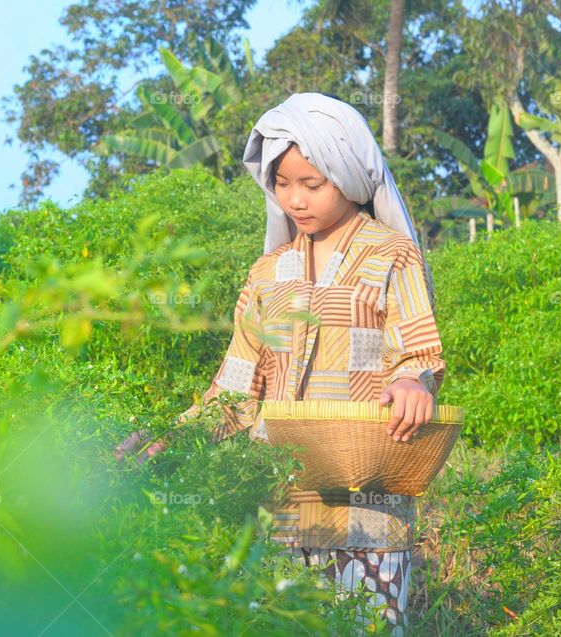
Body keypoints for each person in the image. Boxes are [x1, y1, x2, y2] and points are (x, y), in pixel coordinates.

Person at [115, 92, 446, 636]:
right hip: (278, 504)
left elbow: (417, 351)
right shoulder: (266, 274)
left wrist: (413, 381)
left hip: (366, 504)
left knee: (368, 627)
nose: (295, 199)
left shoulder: (393, 255)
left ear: (348, 176)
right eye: (283, 183)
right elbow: (235, 388)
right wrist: (173, 436)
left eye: (311, 184)